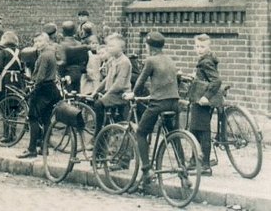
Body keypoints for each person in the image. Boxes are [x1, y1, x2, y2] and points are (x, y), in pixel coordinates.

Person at [129, 32, 181, 185]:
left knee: (141, 132)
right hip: (174, 103)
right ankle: (184, 174)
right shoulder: (170, 60)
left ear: (149, 46)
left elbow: (141, 80)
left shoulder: (151, 60)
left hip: (158, 104)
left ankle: (146, 170)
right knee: (174, 137)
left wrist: (133, 93)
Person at [17, 33, 62, 159]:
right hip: (51, 89)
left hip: (42, 89)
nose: (37, 44)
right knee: (46, 119)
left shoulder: (43, 56)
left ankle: (32, 149)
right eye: (35, 41)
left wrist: (33, 90)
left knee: (33, 117)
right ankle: (44, 147)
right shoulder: (51, 53)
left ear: (47, 41)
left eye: (40, 41)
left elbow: (40, 76)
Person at [189, 34, 224, 176]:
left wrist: (206, 97)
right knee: (194, 129)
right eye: (197, 46)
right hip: (200, 98)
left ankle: (205, 165)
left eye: (202, 47)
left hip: (202, 100)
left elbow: (216, 81)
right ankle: (194, 160)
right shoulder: (205, 59)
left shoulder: (206, 62)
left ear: (208, 47)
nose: (199, 49)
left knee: (202, 131)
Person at [90, 35, 132, 139]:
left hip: (120, 95)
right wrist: (96, 90)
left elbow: (119, 84)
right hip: (112, 94)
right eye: (108, 46)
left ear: (121, 48)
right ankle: (104, 137)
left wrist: (106, 95)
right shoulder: (113, 60)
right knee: (106, 115)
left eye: (112, 46)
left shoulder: (124, 61)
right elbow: (107, 78)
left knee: (99, 104)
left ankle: (98, 134)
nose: (109, 48)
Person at [0, 31, 22, 143]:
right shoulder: (19, 52)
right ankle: (13, 134)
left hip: (6, 80)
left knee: (5, 107)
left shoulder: (3, 52)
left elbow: (0, 67)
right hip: (17, 81)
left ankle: (6, 134)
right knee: (14, 108)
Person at [58, 21, 86, 93]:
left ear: (63, 32)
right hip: (78, 73)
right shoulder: (79, 43)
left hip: (67, 73)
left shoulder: (62, 46)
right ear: (74, 31)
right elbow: (85, 59)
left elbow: (62, 62)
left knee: (68, 95)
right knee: (77, 95)